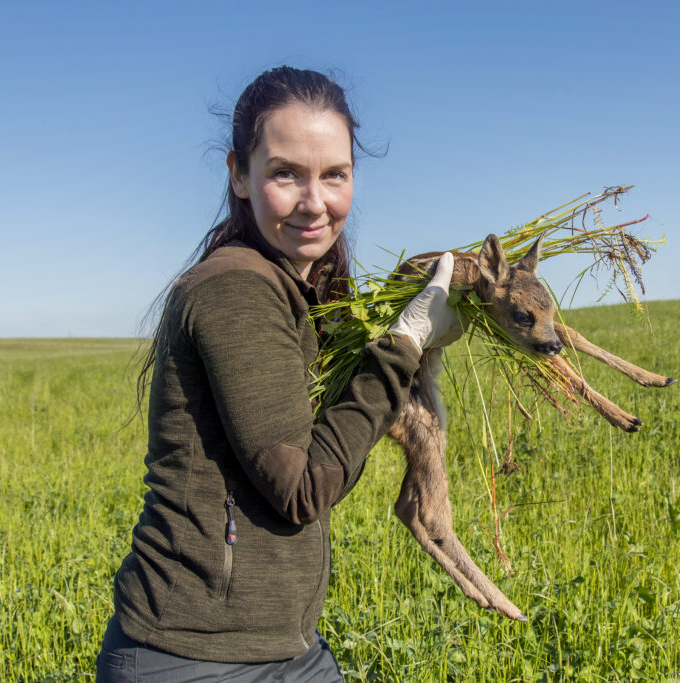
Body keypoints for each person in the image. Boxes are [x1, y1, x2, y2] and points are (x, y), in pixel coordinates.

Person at [95, 66, 461, 682]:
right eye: (285, 173)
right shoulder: (234, 289)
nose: (314, 202)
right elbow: (303, 488)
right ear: (239, 173)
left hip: (285, 649)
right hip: (189, 659)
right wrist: (407, 342)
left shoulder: (295, 289)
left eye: (335, 175)